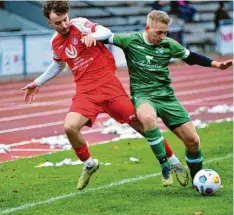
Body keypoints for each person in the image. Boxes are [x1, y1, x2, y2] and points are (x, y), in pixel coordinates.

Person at [22, 1, 187, 190]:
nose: (64, 25)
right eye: (58, 22)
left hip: (109, 88)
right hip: (86, 93)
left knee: (144, 127)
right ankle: (89, 164)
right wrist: (38, 82)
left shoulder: (81, 24)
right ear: (50, 24)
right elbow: (59, 64)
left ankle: (173, 163)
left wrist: (93, 35)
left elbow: (107, 33)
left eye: (65, 19)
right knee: (69, 127)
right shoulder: (55, 42)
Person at [108, 10, 233, 183]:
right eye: (159, 32)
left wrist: (217, 65)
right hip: (143, 95)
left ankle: (198, 179)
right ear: (147, 27)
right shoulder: (130, 40)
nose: (162, 36)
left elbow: (192, 57)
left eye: (165, 32)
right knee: (148, 118)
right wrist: (87, 34)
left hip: (167, 97)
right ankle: (165, 165)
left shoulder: (168, 44)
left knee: (193, 142)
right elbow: (105, 35)